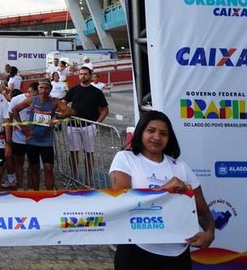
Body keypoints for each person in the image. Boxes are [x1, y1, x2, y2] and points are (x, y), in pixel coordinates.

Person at [109, 110, 215, 269]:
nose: (157, 137)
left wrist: (210, 233)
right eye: (151, 131)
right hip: (136, 250)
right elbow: (123, 202)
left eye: (163, 133)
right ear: (140, 132)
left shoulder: (181, 167)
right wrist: (164, 189)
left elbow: (202, 210)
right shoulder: (125, 159)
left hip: (177, 255)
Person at [11, 79, 74, 190]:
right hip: (32, 140)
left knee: (48, 169)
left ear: (50, 89)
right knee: (34, 168)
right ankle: (36, 193)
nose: (43, 91)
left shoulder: (54, 102)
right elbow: (14, 110)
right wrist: (23, 127)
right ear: (38, 89)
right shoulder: (32, 100)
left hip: (46, 142)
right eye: (41, 88)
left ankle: (49, 194)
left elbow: (71, 111)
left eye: (46, 88)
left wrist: (57, 117)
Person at [64, 66, 109, 186]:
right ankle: (73, 177)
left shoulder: (97, 92)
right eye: (80, 74)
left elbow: (105, 110)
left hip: (89, 126)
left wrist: (97, 123)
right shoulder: (73, 90)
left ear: (90, 75)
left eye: (85, 74)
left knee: (89, 153)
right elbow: (63, 104)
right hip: (72, 126)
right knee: (73, 153)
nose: (82, 76)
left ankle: (88, 179)